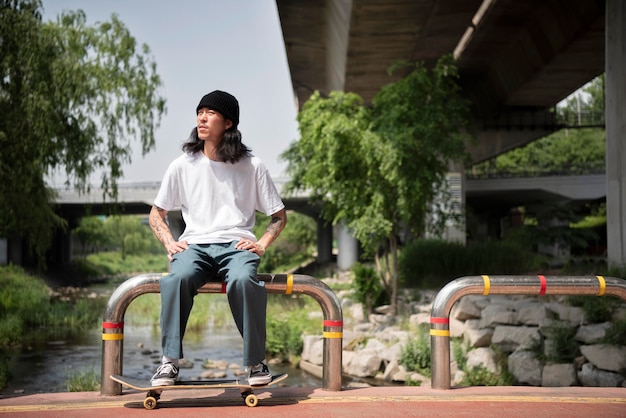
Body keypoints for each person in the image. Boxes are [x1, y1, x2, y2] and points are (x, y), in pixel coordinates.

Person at [148, 90, 287, 387]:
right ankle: (169, 363)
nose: (202, 117)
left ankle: (256, 362)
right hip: (194, 246)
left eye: (210, 113)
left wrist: (261, 244)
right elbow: (156, 213)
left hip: (237, 246)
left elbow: (278, 216)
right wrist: (169, 243)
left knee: (243, 280)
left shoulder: (252, 166)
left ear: (228, 123)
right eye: (200, 111)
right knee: (176, 279)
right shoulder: (182, 165)